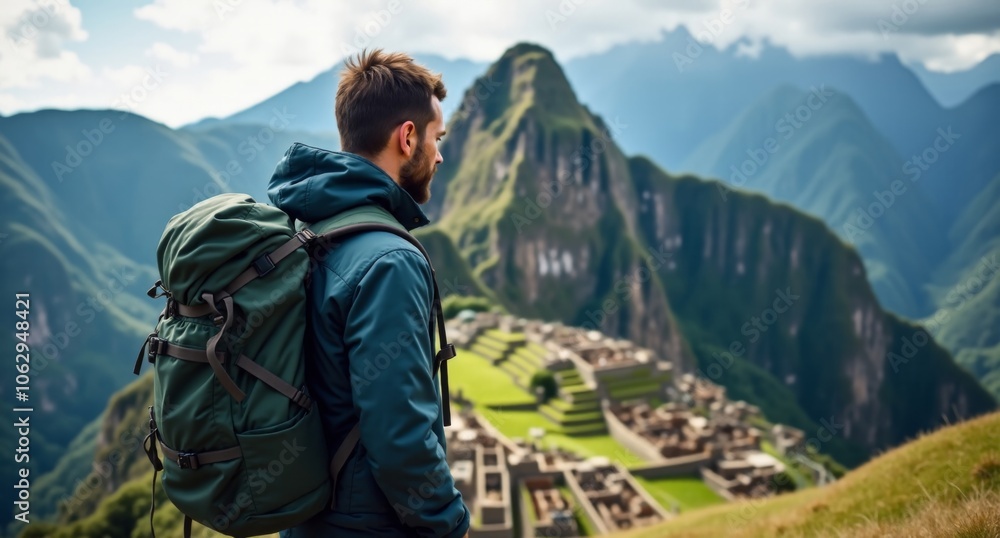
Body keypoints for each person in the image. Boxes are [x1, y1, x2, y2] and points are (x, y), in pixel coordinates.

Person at [269, 49, 470, 537]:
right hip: (369, 524)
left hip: (305, 515)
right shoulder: (390, 261)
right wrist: (449, 524)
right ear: (407, 137)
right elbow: (400, 435)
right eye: (437, 138)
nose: (439, 155)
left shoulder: (306, 227)